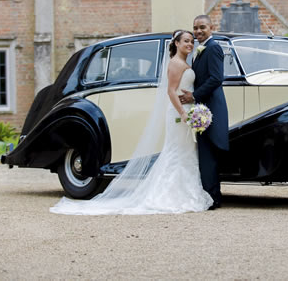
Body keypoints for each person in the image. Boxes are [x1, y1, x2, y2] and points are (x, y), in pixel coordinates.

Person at [49, 30, 213, 215]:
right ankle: (171, 195)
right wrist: (183, 113)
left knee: (186, 152)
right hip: (178, 114)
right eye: (185, 41)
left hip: (186, 112)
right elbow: (171, 91)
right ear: (176, 43)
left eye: (191, 42)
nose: (190, 44)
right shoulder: (175, 63)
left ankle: (186, 192)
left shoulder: (185, 62)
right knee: (176, 153)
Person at [179, 15, 229, 209]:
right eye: (195, 28)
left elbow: (216, 78)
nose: (198, 32)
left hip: (210, 108)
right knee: (206, 155)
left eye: (202, 28)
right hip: (202, 108)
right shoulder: (198, 51)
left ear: (211, 28)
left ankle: (213, 198)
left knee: (210, 156)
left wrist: (194, 96)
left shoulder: (214, 48)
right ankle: (211, 196)